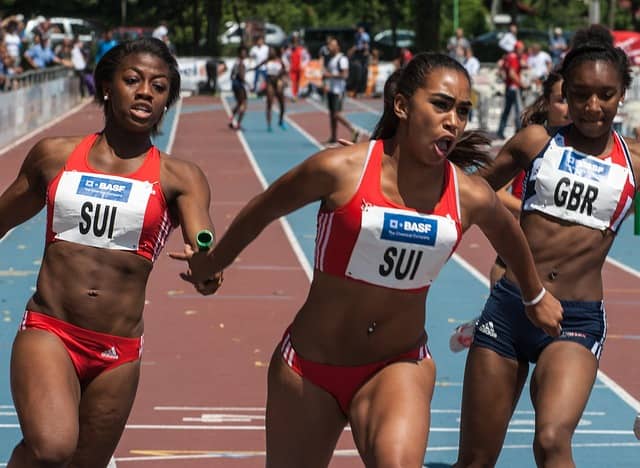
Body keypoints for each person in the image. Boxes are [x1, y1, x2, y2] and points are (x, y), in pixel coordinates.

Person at [170, 52, 563, 468]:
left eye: (463, 111)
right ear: (402, 106)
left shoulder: (469, 196)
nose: (454, 121)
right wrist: (213, 263)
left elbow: (510, 236)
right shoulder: (341, 170)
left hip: (397, 365)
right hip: (309, 369)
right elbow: (265, 207)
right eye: (442, 105)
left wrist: (534, 295)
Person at [3, 37, 221, 467]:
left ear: (166, 103)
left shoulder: (181, 177)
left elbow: (204, 242)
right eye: (133, 80)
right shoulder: (54, 156)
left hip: (117, 353)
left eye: (159, 87)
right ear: (106, 85)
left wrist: (206, 266)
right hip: (51, 331)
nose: (146, 92)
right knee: (52, 447)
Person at [455, 25, 639, 467]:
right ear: (565, 93)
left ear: (622, 95)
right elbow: (467, 198)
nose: (593, 107)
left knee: (552, 440)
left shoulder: (633, 161)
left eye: (606, 95)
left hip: (575, 320)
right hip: (510, 308)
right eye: (580, 95)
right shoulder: (536, 143)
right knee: (475, 460)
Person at [450, 71, 571, 352]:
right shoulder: (529, 145)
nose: (568, 108)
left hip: (556, 265)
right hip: (511, 256)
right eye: (560, 100)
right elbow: (489, 190)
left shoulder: (587, 153)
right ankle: (488, 325)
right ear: (547, 103)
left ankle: (487, 324)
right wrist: (535, 211)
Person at [323, 38, 360, 145]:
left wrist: (330, 75)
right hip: (331, 90)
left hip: (338, 91)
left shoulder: (342, 59)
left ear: (337, 47)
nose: (329, 47)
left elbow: (345, 75)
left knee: (336, 114)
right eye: (329, 45)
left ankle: (353, 129)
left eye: (331, 45)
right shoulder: (331, 59)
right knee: (331, 114)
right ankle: (333, 137)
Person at [496, 40, 525, 140]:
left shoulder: (510, 57)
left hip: (509, 87)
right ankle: (519, 131)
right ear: (517, 49)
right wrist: (522, 84)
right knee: (518, 111)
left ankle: (500, 130)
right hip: (514, 87)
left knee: (507, 110)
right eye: (521, 49)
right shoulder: (513, 58)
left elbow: (502, 70)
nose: (522, 51)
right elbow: (512, 73)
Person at [264, 46, 287, 132]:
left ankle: (281, 121)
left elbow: (285, 70)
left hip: (278, 82)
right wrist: (251, 69)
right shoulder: (267, 61)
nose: (271, 52)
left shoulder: (279, 60)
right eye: (269, 51)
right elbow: (258, 66)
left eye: (272, 51)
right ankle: (269, 125)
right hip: (270, 82)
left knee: (282, 103)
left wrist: (282, 77)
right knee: (269, 103)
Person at [229, 45, 248, 131]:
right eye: (243, 53)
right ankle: (238, 124)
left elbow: (232, 74)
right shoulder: (240, 62)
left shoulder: (236, 61)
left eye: (245, 52)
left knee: (240, 103)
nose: (245, 54)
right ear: (240, 53)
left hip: (235, 84)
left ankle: (231, 117)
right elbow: (241, 75)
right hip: (239, 84)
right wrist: (248, 84)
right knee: (244, 104)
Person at [286, 34, 309, 101]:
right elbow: (284, 57)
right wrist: (287, 64)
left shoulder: (302, 50)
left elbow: (307, 58)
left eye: (296, 42)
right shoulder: (289, 50)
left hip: (300, 69)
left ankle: (298, 94)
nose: (294, 44)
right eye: (293, 42)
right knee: (293, 82)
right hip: (292, 69)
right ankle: (294, 95)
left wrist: (303, 64)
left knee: (299, 82)